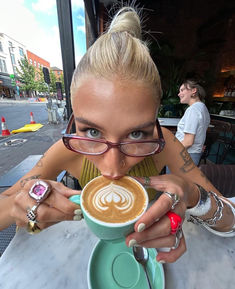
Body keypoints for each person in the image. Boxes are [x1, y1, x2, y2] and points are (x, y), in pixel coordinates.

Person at [0, 6, 234, 266]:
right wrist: (17, 209)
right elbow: (7, 202)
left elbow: (231, 221)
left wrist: (193, 196)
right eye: (92, 131)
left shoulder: (164, 143)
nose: (112, 169)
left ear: (155, 123)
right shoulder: (69, 149)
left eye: (136, 133)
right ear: (74, 120)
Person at [175, 79, 210, 166]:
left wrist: (171, 151)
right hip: (193, 155)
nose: (179, 94)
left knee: (173, 179)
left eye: (182, 90)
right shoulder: (203, 108)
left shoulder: (193, 110)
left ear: (193, 91)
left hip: (184, 156)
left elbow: (188, 142)